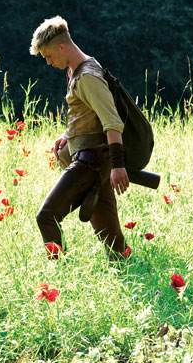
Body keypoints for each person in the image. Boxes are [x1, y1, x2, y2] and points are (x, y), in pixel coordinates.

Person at [30, 16, 131, 260]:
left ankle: (58, 275)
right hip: (95, 162)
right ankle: (126, 270)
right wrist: (68, 135)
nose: (48, 62)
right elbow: (89, 113)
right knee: (114, 245)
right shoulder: (76, 72)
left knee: (46, 216)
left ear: (61, 47)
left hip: (91, 163)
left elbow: (111, 121)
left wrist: (118, 166)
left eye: (49, 56)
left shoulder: (87, 76)